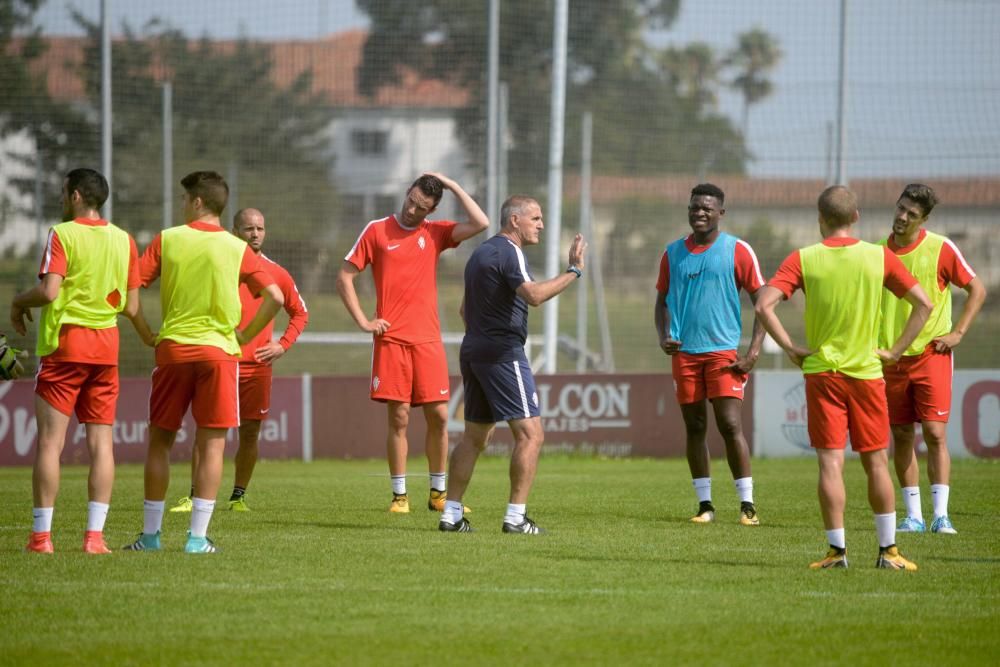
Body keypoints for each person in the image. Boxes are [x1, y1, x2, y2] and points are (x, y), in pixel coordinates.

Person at [755, 185, 932, 570]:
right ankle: (889, 552)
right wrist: (897, 350)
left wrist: (790, 347)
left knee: (830, 465)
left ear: (820, 220)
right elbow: (924, 304)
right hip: (868, 374)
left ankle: (838, 552)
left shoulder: (804, 258)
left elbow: (763, 304)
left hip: (823, 374)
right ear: (856, 217)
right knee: (876, 464)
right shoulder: (877, 256)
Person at [124, 171, 283, 554]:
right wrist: (243, 336)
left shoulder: (169, 239)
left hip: (174, 351)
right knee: (213, 446)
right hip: (219, 355)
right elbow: (274, 296)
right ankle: (197, 539)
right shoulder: (236, 248)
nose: (182, 206)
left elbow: (130, 299)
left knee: (159, 443)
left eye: (184, 200)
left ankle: (150, 537)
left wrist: (147, 333)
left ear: (197, 202)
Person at [11, 168, 154, 554]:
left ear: (75, 196)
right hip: (106, 349)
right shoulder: (124, 240)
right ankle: (95, 538)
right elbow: (132, 305)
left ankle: (41, 538)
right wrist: (147, 336)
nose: (61, 199)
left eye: (63, 193)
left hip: (66, 346)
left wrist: (17, 301)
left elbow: (49, 290)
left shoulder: (63, 234)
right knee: (101, 444)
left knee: (49, 444)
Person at [336, 173, 488, 513]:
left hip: (428, 341)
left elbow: (481, 222)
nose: (412, 211)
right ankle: (399, 496)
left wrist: (451, 185)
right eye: (411, 201)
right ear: (406, 193)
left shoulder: (434, 233)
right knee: (400, 418)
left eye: (422, 208)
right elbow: (345, 275)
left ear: (431, 209)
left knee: (438, 415)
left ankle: (438, 495)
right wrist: (363, 321)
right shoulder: (376, 230)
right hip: (391, 340)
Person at [438, 195, 587, 534]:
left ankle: (451, 514)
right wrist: (574, 271)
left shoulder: (479, 253)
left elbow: (465, 310)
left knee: (474, 437)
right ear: (514, 220)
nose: (541, 225)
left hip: (473, 348)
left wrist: (482, 338)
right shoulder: (509, 251)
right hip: (502, 352)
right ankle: (516, 518)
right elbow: (533, 295)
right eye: (535, 218)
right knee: (531, 435)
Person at [169, 207, 310, 513]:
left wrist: (282, 345)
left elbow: (300, 313)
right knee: (206, 430)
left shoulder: (278, 273)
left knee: (249, 432)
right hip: (220, 360)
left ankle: (238, 497)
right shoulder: (219, 265)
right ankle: (194, 497)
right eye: (248, 229)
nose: (255, 234)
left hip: (256, 367)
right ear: (235, 232)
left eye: (260, 228)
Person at [654, 183, 766, 526]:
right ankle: (705, 505)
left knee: (730, 424)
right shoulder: (672, 253)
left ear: (721, 213)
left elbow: (764, 303)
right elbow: (660, 302)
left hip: (723, 354)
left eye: (706, 208)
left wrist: (753, 351)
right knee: (695, 426)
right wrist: (663, 336)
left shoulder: (737, 250)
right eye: (694, 207)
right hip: (685, 354)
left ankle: (747, 504)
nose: (699, 213)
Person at [878, 184, 986, 534]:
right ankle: (913, 516)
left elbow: (977, 289)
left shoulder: (940, 247)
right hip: (891, 359)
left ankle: (941, 514)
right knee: (902, 435)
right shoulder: (877, 252)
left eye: (911, 214)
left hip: (932, 354)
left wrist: (957, 334)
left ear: (923, 219)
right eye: (900, 209)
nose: (902, 217)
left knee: (936, 434)